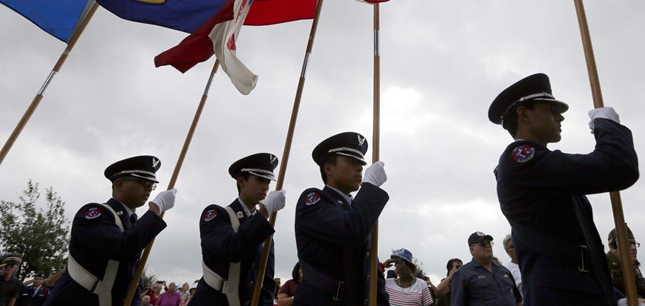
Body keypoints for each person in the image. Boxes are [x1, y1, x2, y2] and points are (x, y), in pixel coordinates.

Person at [489, 73, 639, 305]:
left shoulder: (543, 167)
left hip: (578, 290)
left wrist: (615, 298)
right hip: (559, 294)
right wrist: (607, 126)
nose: (560, 116)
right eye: (550, 109)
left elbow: (578, 252)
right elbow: (618, 168)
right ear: (523, 113)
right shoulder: (520, 161)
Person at [46, 155, 177, 305]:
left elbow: (132, 276)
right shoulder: (94, 213)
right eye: (143, 182)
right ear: (119, 184)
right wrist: (155, 209)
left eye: (151, 184)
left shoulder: (134, 223)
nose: (148, 188)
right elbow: (121, 247)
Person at [293, 131, 389, 306]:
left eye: (361, 163)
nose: (360, 167)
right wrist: (370, 187)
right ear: (328, 168)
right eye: (352, 162)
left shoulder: (358, 210)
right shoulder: (313, 201)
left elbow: (371, 271)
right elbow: (351, 230)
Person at [190, 153, 286, 306]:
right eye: (260, 179)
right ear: (241, 181)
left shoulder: (264, 228)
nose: (266, 186)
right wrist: (264, 211)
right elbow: (232, 249)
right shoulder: (216, 215)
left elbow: (266, 280)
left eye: (268, 181)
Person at [450, 232, 520, 306]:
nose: (487, 245)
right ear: (472, 250)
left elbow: (518, 300)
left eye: (489, 243)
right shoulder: (463, 274)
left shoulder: (504, 271)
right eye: (482, 244)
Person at [605, 226, 645, 301]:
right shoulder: (604, 265)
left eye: (634, 244)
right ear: (612, 246)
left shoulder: (633, 266)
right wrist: (630, 300)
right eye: (627, 243)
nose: (633, 248)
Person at [500, 235, 522, 301]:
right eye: (512, 246)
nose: (515, 248)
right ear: (507, 252)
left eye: (517, 244)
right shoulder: (506, 270)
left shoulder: (533, 264)